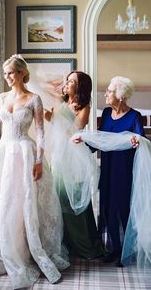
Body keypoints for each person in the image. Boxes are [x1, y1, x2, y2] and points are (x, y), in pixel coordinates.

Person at [0, 54, 69, 289]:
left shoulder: (34, 99)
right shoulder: (0, 98)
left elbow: (40, 132)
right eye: (5, 73)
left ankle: (26, 247)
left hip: (24, 154)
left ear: (22, 74)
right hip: (2, 154)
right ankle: (3, 245)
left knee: (23, 203)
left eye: (11, 73)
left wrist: (39, 161)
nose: (7, 77)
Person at [74, 76, 144, 265]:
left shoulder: (134, 116)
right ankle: (114, 247)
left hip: (124, 170)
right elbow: (101, 140)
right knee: (107, 208)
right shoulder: (105, 113)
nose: (105, 94)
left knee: (123, 209)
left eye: (110, 91)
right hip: (107, 167)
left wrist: (137, 141)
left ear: (121, 96)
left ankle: (127, 250)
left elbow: (141, 140)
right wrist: (83, 144)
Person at [44, 71, 104, 260]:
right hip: (58, 155)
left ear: (80, 86)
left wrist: (54, 113)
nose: (67, 83)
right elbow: (53, 123)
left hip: (74, 157)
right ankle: (66, 242)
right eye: (67, 80)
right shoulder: (62, 102)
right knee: (60, 197)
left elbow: (74, 130)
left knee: (74, 198)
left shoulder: (84, 107)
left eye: (72, 81)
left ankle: (84, 243)